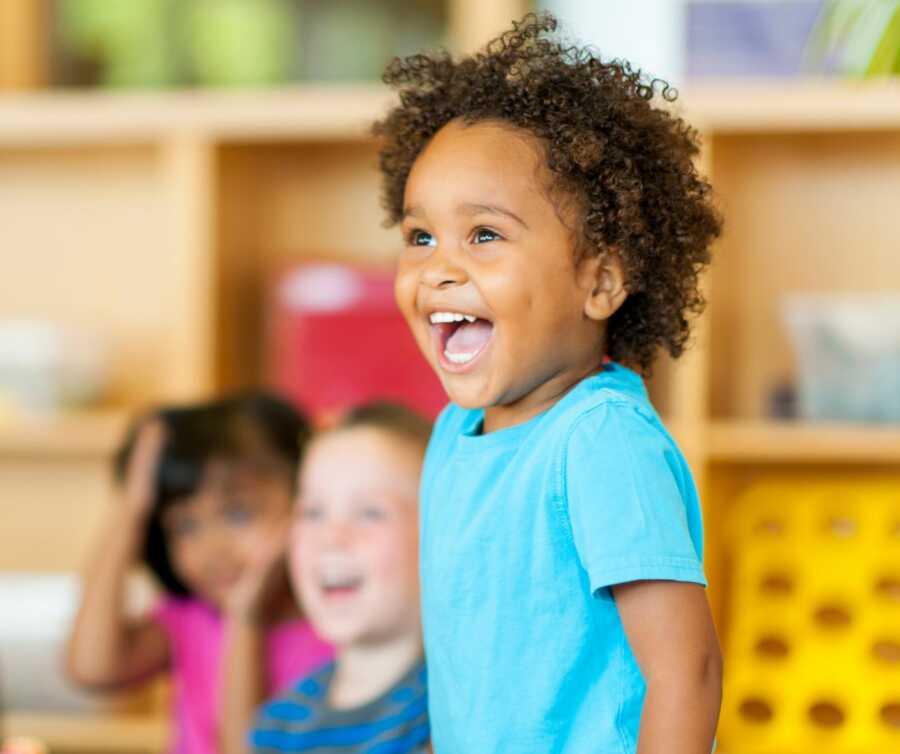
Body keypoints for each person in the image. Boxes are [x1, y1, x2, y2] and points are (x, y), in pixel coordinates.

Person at [374, 12, 724, 754]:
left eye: (486, 235)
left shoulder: (600, 440)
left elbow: (684, 671)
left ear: (600, 281)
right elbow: (481, 668)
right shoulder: (453, 434)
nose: (439, 267)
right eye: (420, 236)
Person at [66, 393, 332, 754]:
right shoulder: (187, 622)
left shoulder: (339, 629)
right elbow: (91, 668)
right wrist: (132, 510)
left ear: (308, 496)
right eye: (185, 526)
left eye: (237, 514)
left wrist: (246, 619)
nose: (212, 550)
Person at [251, 403, 430, 754]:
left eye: (370, 513)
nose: (331, 538)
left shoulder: (451, 712)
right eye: (313, 512)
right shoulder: (277, 725)